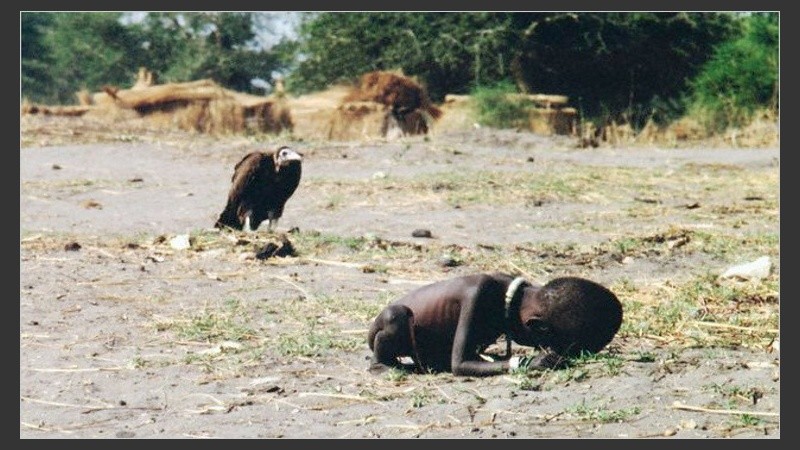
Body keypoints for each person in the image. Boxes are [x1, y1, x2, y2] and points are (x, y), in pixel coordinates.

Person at [367, 273, 623, 376]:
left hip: (437, 345)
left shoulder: (521, 297)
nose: (543, 349)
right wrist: (520, 364)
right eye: (546, 344)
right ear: (536, 327)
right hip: (400, 332)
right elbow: (460, 365)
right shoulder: (481, 293)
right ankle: (381, 363)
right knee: (394, 318)